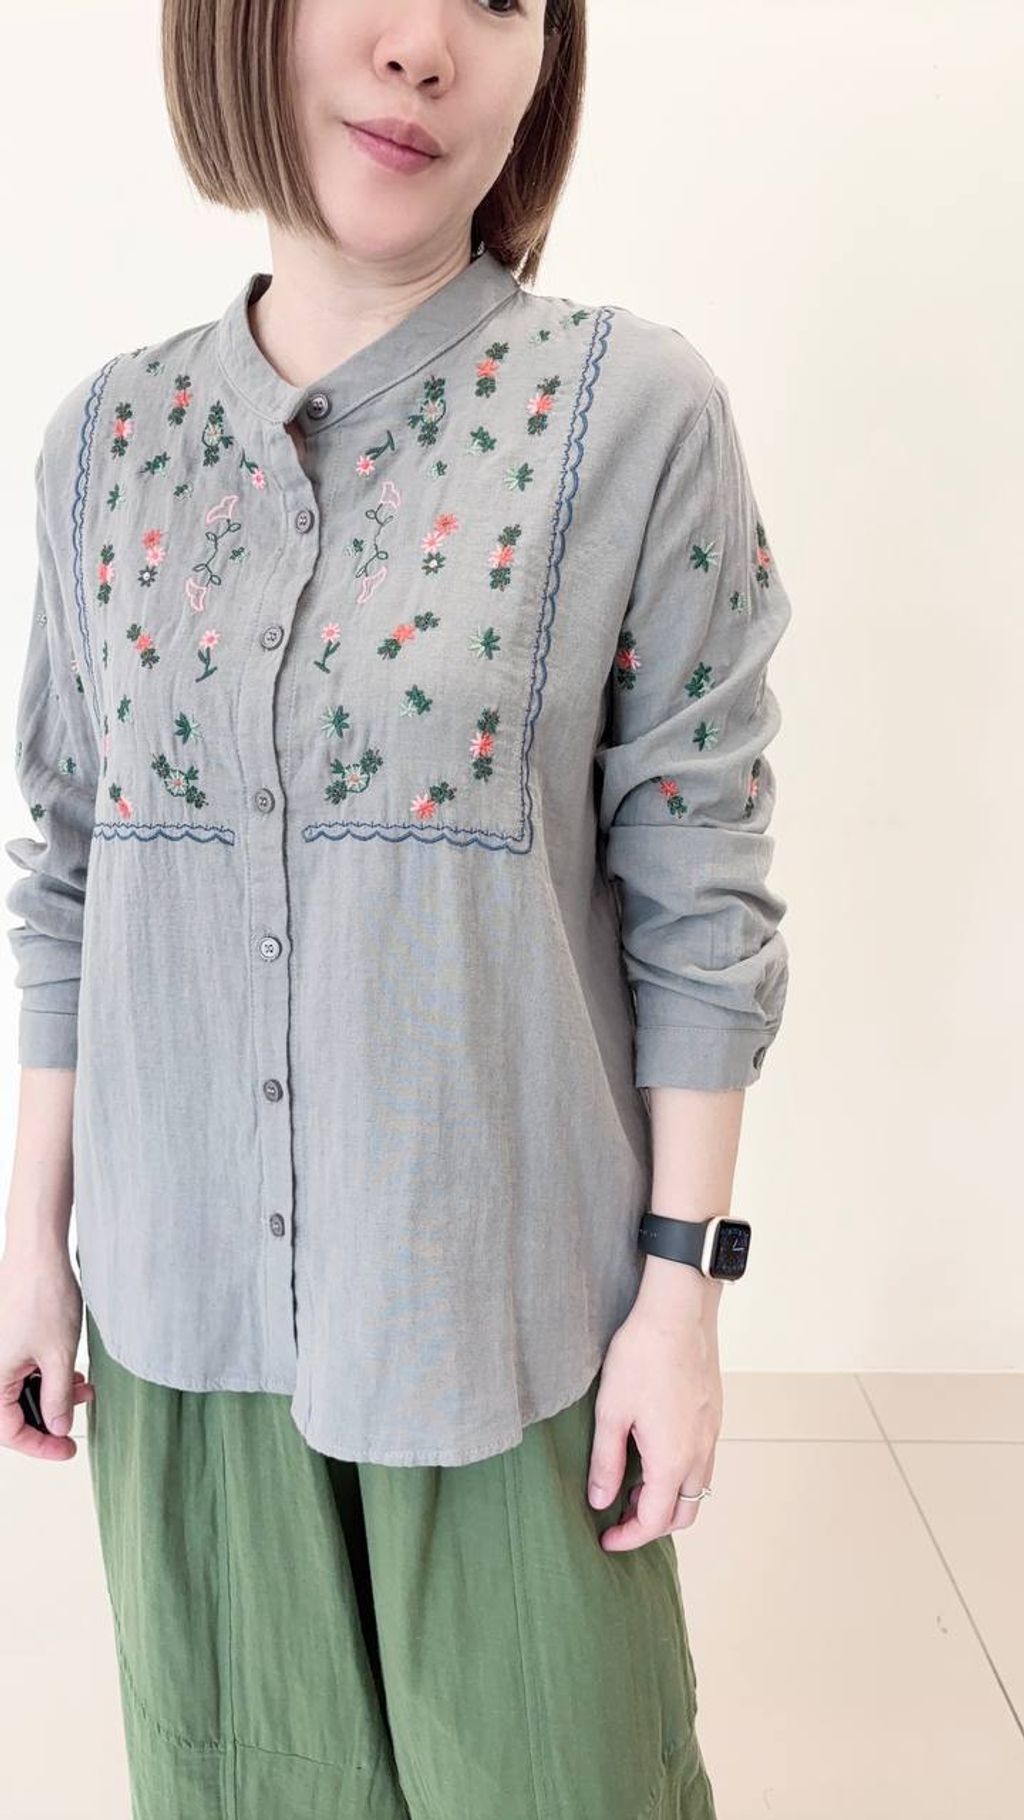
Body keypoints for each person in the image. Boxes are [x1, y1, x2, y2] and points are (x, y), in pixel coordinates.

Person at [0, 1, 794, 1814]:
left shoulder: (632, 412)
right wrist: (32, 1238)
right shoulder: (101, 442)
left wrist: (679, 1299)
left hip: (497, 1326)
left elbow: (700, 889)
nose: (425, 45)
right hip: (186, 1330)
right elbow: (70, 869)